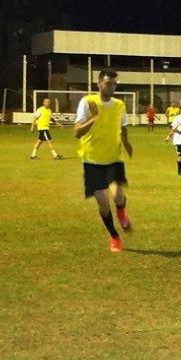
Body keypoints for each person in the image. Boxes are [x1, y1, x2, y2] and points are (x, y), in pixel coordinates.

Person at [74, 69, 134, 253]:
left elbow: (123, 127)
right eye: (108, 83)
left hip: (113, 158)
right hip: (92, 159)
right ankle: (114, 236)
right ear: (99, 84)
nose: (112, 87)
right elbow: (77, 132)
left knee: (117, 195)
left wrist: (126, 143)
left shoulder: (120, 105)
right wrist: (94, 118)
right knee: (103, 202)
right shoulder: (88, 102)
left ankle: (122, 211)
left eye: (115, 84)